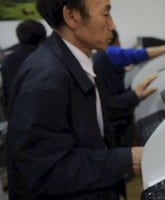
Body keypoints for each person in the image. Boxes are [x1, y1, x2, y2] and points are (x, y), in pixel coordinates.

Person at [7, 0, 156, 199]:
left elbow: (88, 120)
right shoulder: (46, 79)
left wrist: (134, 96)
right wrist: (127, 159)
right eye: (105, 14)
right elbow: (49, 171)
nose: (112, 25)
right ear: (72, 17)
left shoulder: (74, 62)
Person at [93, 30, 165, 147]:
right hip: (115, 119)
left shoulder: (99, 55)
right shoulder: (109, 51)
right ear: (116, 41)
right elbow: (137, 54)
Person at [1, 20, 46, 115]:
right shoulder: (46, 58)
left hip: (16, 116)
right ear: (43, 36)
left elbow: (6, 95)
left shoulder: (8, 60)